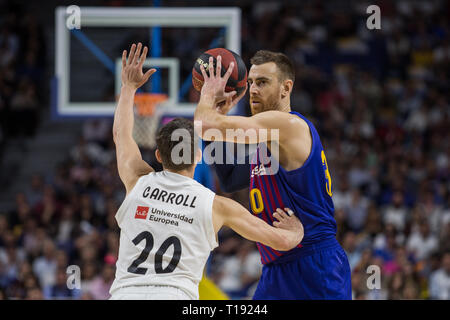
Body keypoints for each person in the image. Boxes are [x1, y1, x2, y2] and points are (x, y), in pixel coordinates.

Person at [109, 43, 304, 300]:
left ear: (158, 155)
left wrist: (128, 87)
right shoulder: (217, 206)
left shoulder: (137, 180)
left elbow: (121, 135)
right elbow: (281, 241)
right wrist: (297, 229)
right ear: (199, 156)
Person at [194, 50, 351, 299]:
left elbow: (205, 125)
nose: (254, 90)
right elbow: (231, 178)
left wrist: (208, 97)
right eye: (251, 82)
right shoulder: (267, 146)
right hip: (276, 267)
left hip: (313, 263)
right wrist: (220, 115)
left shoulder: (289, 126)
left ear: (286, 88)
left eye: (263, 82)